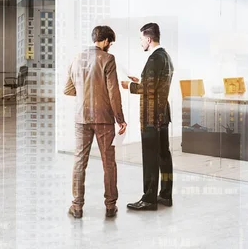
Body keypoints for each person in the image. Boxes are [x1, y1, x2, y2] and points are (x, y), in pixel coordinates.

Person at [64, 26, 127, 219]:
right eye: (111, 42)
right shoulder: (108, 59)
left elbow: (68, 89)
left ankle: (77, 206)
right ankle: (110, 206)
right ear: (106, 41)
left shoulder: (77, 58)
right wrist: (120, 119)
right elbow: (113, 92)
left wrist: (85, 92)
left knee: (79, 161)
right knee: (108, 162)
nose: (110, 46)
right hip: (104, 119)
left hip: (81, 117)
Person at [122, 23, 174, 210]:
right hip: (163, 114)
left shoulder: (154, 58)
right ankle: (165, 195)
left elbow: (149, 89)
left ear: (149, 39)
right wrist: (141, 81)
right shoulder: (166, 57)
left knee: (151, 158)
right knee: (164, 155)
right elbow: (156, 85)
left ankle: (149, 199)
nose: (140, 42)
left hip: (151, 117)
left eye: (141, 39)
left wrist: (130, 86)